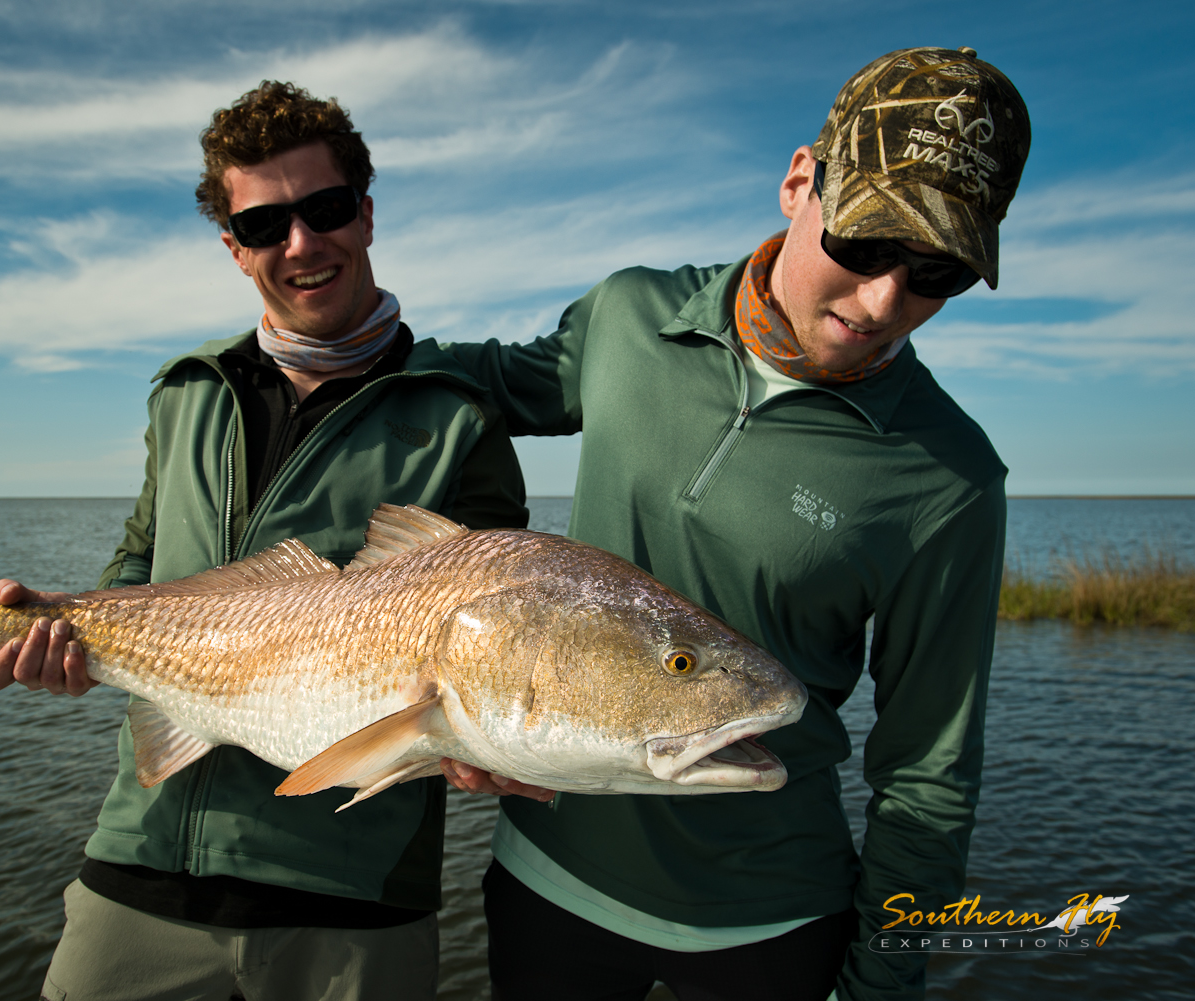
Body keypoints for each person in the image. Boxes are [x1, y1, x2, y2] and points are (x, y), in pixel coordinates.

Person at [440, 47, 1032, 1001]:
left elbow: (928, 773)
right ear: (803, 181)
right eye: (870, 243)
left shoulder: (951, 477)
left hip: (776, 919)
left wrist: (881, 982)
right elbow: (450, 393)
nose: (886, 302)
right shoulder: (632, 317)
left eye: (937, 273)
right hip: (549, 883)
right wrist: (305, 341)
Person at [0, 80, 532, 1001]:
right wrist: (61, 640)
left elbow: (493, 637)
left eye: (324, 211)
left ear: (364, 215)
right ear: (235, 249)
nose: (301, 245)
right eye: (267, 224)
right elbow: (140, 564)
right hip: (142, 860)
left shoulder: (456, 417)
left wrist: (494, 739)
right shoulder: (185, 392)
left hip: (353, 895)